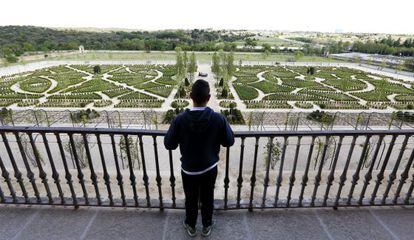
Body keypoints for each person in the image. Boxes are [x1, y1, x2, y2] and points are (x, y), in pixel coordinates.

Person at [164, 79, 235, 237]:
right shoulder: (218, 119)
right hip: (210, 168)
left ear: (190, 96)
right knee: (207, 197)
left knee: (191, 198)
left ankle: (190, 225)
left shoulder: (180, 120)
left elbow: (169, 144)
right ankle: (207, 225)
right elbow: (229, 141)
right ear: (209, 97)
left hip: (188, 170)